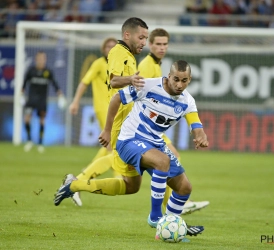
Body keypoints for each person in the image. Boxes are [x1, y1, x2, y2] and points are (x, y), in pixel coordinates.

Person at [54, 60, 207, 238]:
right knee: (162, 161)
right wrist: (107, 129)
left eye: (184, 80)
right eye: (176, 79)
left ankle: (170, 224)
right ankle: (156, 217)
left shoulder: (187, 101)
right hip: (130, 139)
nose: (180, 84)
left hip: (155, 143)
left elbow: (196, 124)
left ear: (189, 80)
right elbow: (117, 97)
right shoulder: (149, 86)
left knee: (182, 187)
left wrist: (200, 135)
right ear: (168, 76)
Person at [138, 28, 209, 215]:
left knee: (130, 183)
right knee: (131, 178)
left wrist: (200, 133)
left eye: (165, 44)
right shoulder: (147, 66)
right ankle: (167, 208)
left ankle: (171, 206)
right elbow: (137, 95)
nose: (162, 48)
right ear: (149, 44)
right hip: (141, 128)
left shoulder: (157, 66)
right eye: (158, 44)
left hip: (152, 131)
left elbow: (195, 121)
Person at [68, 37, 117, 206]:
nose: (110, 49)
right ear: (103, 49)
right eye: (107, 46)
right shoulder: (98, 64)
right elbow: (84, 83)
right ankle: (114, 176)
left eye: (113, 46)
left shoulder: (118, 65)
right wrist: (75, 102)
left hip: (117, 109)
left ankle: (82, 176)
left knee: (111, 145)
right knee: (112, 144)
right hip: (103, 109)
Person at [22, 51, 64, 153]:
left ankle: (40, 143)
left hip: (42, 101)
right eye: (39, 58)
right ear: (36, 59)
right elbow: (23, 84)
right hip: (31, 100)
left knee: (42, 120)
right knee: (27, 119)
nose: (41, 60)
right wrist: (21, 96)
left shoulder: (48, 72)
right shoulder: (31, 71)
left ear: (45, 60)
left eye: (43, 58)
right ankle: (29, 141)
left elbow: (55, 85)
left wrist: (61, 97)